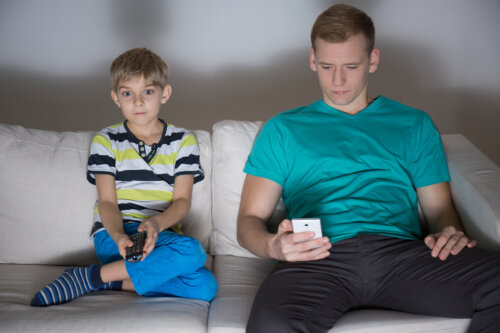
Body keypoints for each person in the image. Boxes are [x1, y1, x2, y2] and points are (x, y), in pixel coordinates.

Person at [237, 4, 500, 332]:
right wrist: (273, 245)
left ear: (372, 60)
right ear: (312, 60)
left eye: (351, 66)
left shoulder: (413, 124)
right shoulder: (283, 129)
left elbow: (440, 211)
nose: (338, 80)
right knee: (270, 324)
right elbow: (248, 221)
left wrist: (449, 233)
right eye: (327, 66)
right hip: (317, 260)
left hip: (401, 256)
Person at [31, 48, 218, 306]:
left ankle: (104, 279)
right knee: (193, 252)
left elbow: (182, 202)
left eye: (148, 92)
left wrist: (156, 225)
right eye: (127, 93)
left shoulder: (182, 141)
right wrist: (119, 236)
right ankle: (96, 276)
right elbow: (107, 203)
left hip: (159, 237)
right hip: (114, 238)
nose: (138, 102)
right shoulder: (106, 141)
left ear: (165, 93)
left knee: (205, 285)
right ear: (116, 98)